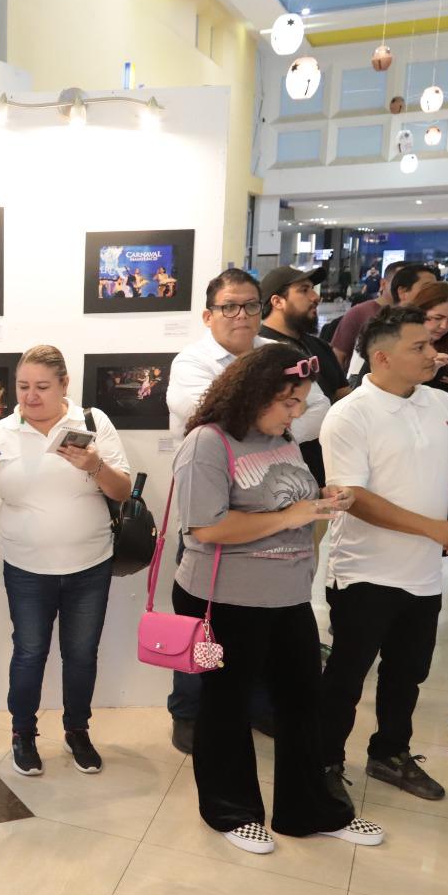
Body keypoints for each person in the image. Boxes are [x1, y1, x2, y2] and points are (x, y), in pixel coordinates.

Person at [171, 344, 385, 854]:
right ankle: (230, 810)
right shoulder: (208, 442)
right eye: (288, 402)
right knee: (227, 706)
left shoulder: (282, 437)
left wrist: (320, 506)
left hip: (287, 595)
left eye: (300, 402)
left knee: (302, 702)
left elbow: (291, 500)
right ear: (254, 394)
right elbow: (204, 525)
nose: (296, 413)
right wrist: (291, 517)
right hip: (226, 598)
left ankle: (310, 809)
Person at [317, 308, 448, 804]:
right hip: (365, 570)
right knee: (346, 677)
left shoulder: (440, 404)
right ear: (383, 356)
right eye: (420, 347)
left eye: (432, 344)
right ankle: (322, 759)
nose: (435, 354)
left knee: (407, 673)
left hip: (425, 573)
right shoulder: (351, 414)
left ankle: (391, 752)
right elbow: (353, 497)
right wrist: (436, 529)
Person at [163, 268, 328, 752]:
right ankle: (190, 714)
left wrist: (276, 409)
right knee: (205, 640)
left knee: (254, 651)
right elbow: (211, 412)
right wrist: (257, 408)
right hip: (216, 520)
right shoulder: (191, 364)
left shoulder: (284, 363)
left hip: (276, 558)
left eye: (251, 305)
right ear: (208, 314)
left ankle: (251, 709)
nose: (241, 315)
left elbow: (318, 414)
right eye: (230, 306)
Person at [0, 345, 131, 775]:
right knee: (29, 652)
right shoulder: (1, 434)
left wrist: (94, 465)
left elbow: (121, 491)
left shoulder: (91, 422)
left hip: (91, 564)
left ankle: (76, 731)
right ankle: (22, 733)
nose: (31, 396)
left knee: (82, 654)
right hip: (27, 568)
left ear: (65, 385)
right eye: (23, 386)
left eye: (42, 387)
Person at [258, 265, 351, 487]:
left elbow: (343, 399)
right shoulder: (259, 349)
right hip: (280, 478)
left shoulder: (319, 346)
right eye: (304, 290)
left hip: (330, 471)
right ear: (277, 301)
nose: (316, 297)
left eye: (313, 289)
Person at [330, 262, 440, 370]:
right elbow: (338, 357)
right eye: (426, 288)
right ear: (384, 284)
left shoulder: (425, 317)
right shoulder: (360, 313)